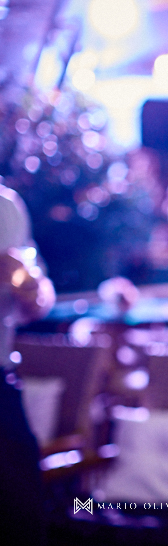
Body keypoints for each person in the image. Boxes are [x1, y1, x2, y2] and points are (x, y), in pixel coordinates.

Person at [0, 182, 56, 546]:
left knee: (21, 512)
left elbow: (40, 292)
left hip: (0, 384)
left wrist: (32, 291)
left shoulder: (6, 207)